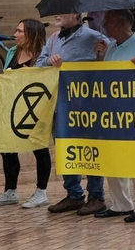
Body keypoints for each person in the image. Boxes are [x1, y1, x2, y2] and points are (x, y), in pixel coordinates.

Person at [40, 11, 109, 213]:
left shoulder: (95, 38)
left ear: (76, 14)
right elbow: (38, 64)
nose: (57, 15)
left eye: (63, 11)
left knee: (90, 149)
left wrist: (101, 56)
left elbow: (109, 67)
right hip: (61, 105)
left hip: (87, 105)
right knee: (65, 148)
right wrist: (49, 61)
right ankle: (73, 194)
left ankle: (96, 195)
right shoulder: (53, 38)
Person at [0, 19, 52, 209]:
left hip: (35, 109)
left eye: (20, 31)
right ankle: (10, 191)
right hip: (12, 108)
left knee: (39, 148)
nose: (16, 34)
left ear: (32, 34)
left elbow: (47, 80)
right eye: (16, 30)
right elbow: (9, 76)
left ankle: (41, 192)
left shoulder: (42, 55)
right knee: (8, 148)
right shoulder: (13, 52)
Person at [96, 10, 135, 222]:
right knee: (113, 158)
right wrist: (99, 58)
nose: (104, 26)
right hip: (113, 112)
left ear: (122, 24)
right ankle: (120, 204)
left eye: (108, 22)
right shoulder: (111, 47)